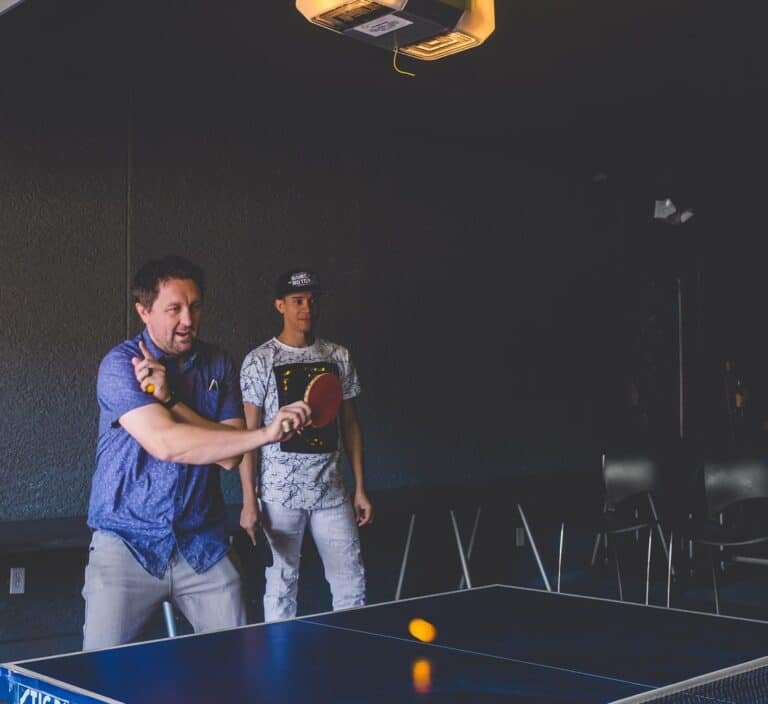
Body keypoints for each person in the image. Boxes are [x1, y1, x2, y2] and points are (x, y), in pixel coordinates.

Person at [83, 256, 311, 649]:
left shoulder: (217, 362)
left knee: (238, 663)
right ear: (144, 311)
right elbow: (167, 444)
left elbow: (227, 456)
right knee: (96, 674)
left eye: (195, 305)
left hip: (201, 543)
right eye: (174, 309)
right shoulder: (122, 365)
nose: (188, 319)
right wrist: (265, 434)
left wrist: (171, 398)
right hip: (126, 542)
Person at [239, 268, 373, 621]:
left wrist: (360, 489)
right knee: (281, 586)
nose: (306, 309)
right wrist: (249, 501)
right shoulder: (260, 360)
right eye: (297, 301)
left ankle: (352, 657)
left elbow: (351, 425)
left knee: (351, 585)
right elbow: (247, 436)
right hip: (279, 497)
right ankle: (279, 667)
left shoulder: (338, 356)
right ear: (280, 305)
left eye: (312, 301)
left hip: (332, 494)